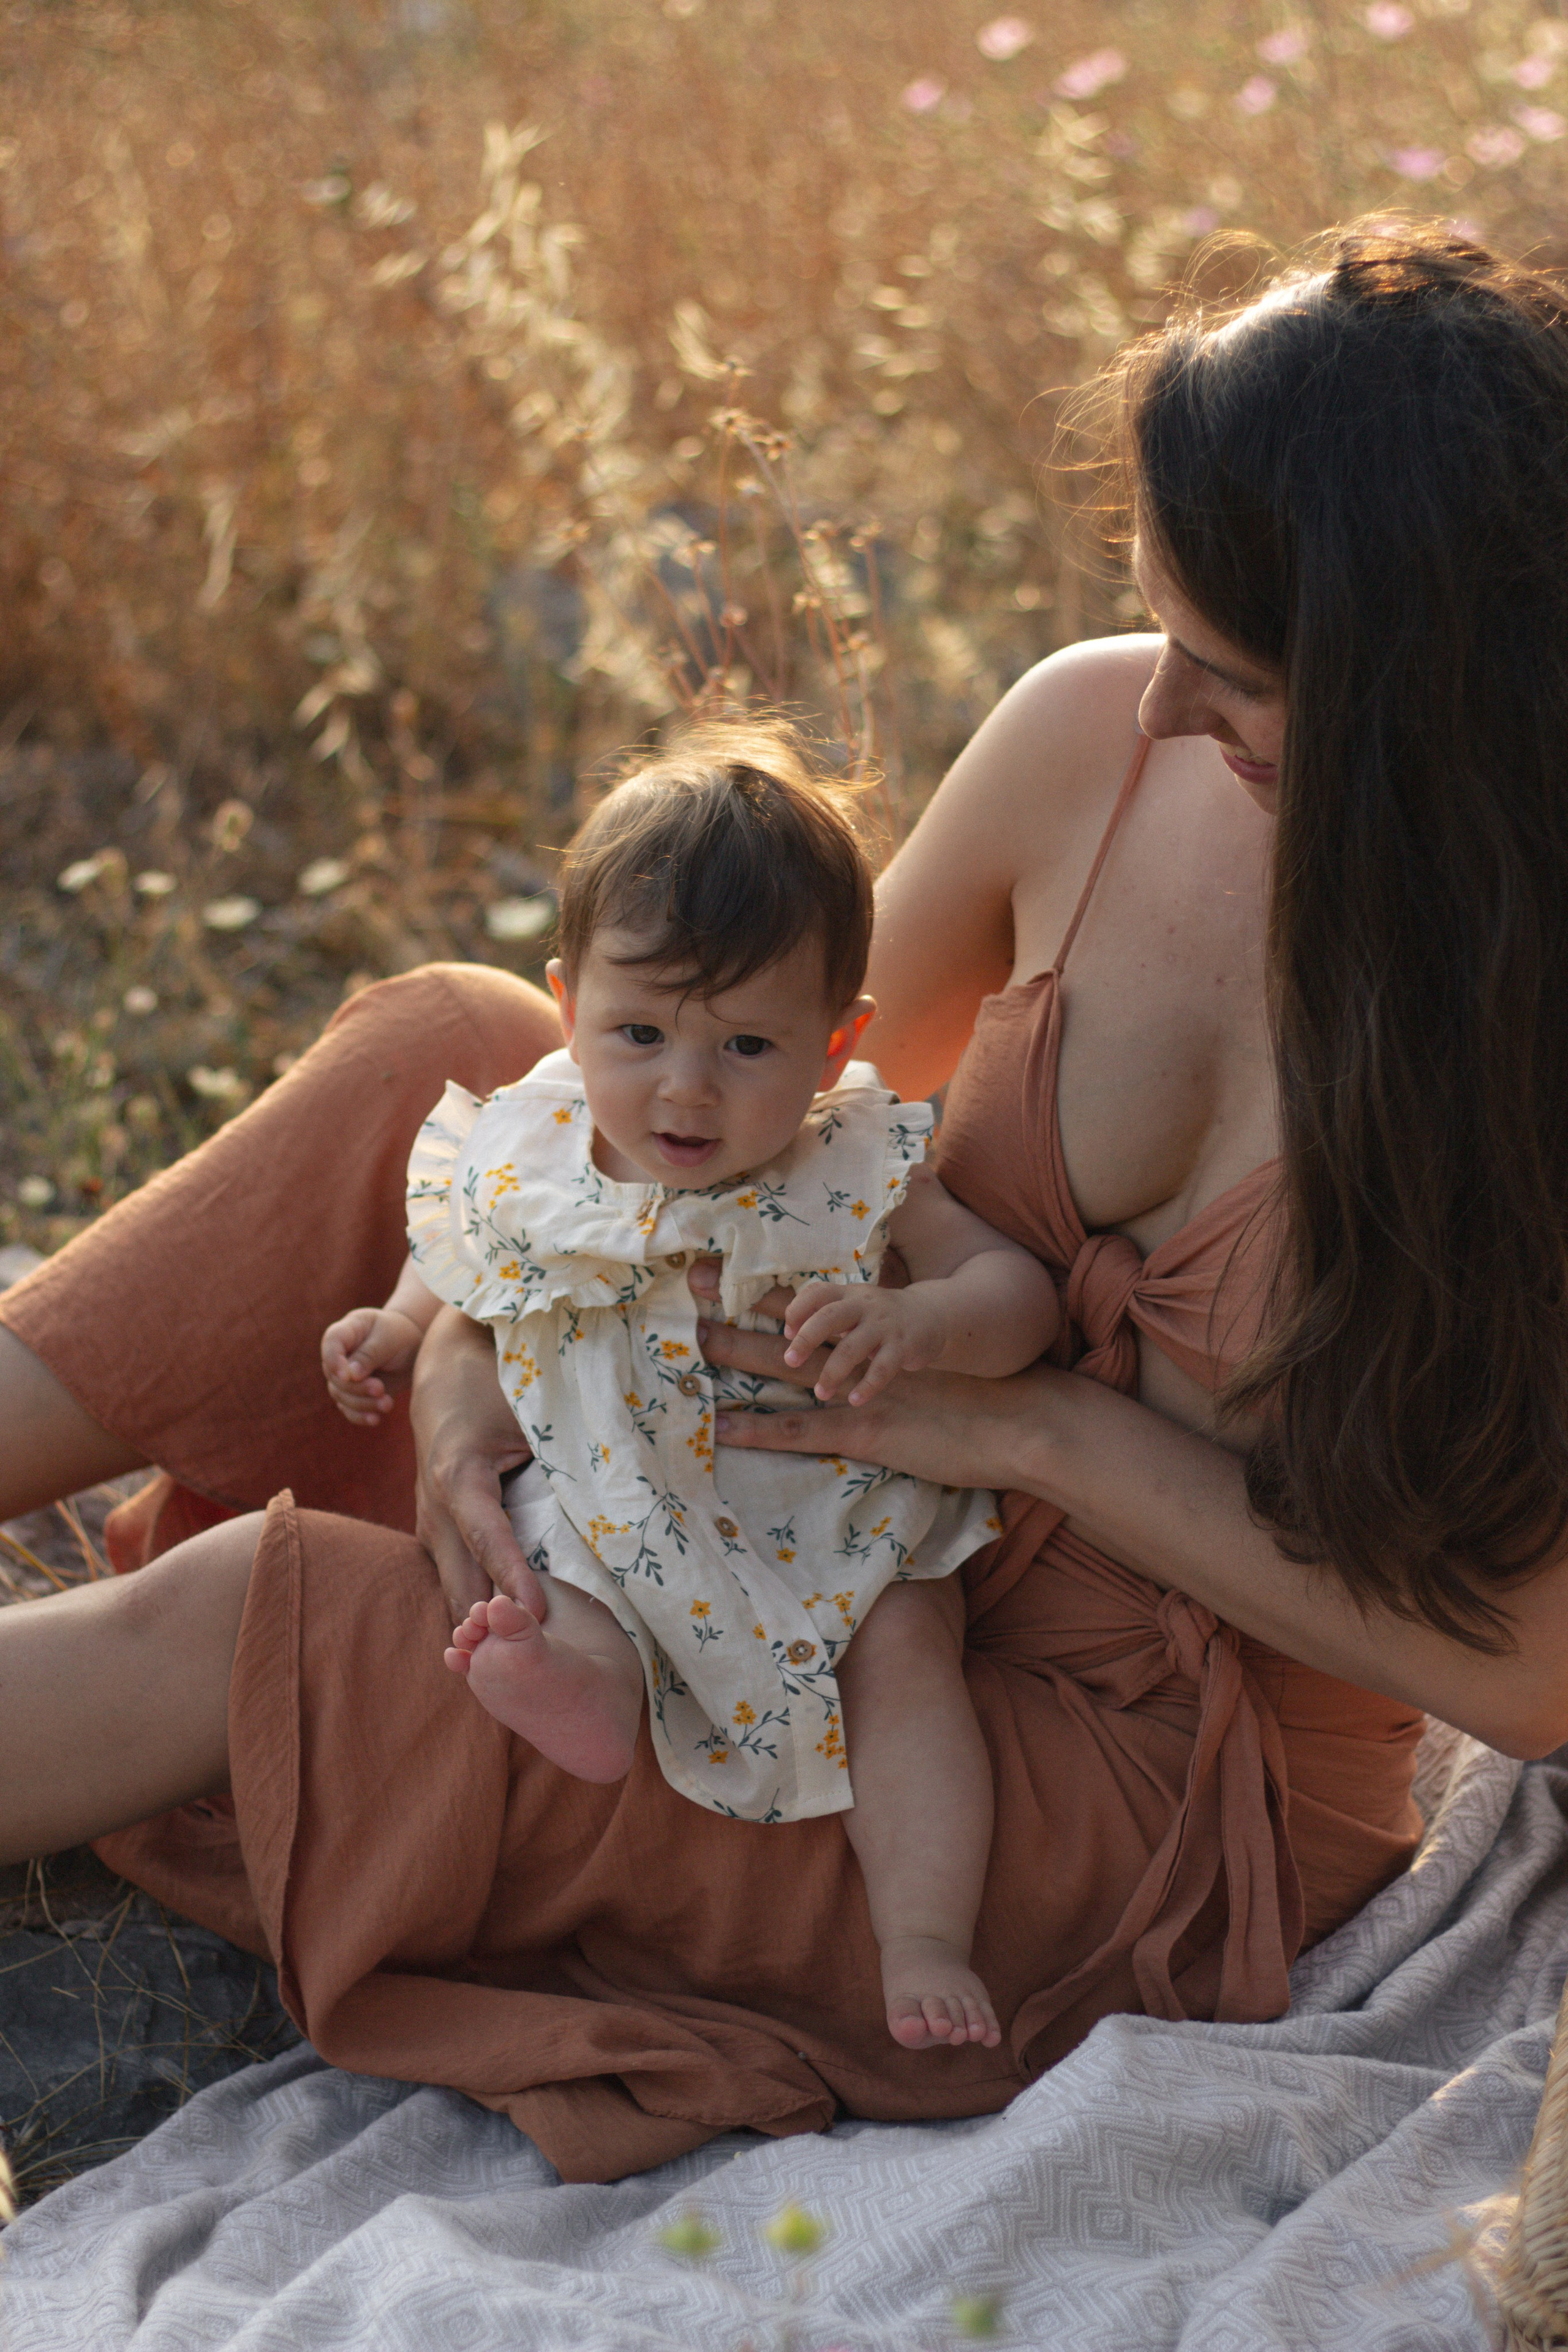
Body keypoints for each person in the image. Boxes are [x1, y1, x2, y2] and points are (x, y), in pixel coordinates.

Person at [5, 218, 1568, 2188]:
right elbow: (751, 1082)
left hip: (1065, 1762)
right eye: (1160, 626)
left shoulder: (1525, 1041)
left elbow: (1528, 1669)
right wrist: (473, 1340)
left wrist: (1024, 1423)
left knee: (258, 1616)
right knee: (463, 1042)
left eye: (1232, 668)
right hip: (800, 1475)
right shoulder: (1096, 737)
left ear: (1428, 689)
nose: (1163, 705)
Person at [319, 732, 1058, 2052]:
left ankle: (923, 1931)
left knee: (907, 1657)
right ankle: (583, 1690)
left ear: (837, 1043)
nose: (685, 1086)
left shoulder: (858, 1163)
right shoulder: (538, 1133)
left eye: (748, 1046)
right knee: (567, 1569)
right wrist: (396, 1323)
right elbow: (471, 1246)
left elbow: (1018, 1299)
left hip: (832, 1506)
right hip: (621, 1483)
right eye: (641, 1031)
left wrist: (919, 1318)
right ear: (567, 1005)